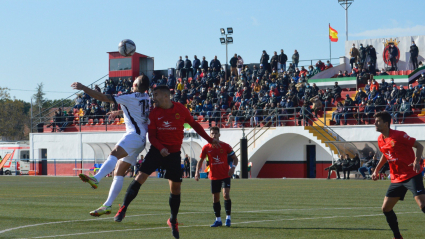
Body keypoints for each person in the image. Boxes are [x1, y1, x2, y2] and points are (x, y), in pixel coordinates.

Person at [114, 86, 220, 239]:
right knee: (140, 177)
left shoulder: (181, 109)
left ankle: (173, 219)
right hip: (157, 150)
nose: (153, 97)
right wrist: (161, 148)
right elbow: (152, 137)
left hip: (174, 154)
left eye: (155, 95)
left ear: (165, 96)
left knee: (176, 188)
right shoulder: (154, 113)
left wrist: (210, 140)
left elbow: (195, 125)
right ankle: (123, 208)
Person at [71, 75, 150, 217]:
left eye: (135, 80)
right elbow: (136, 110)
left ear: (136, 85)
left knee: (114, 153)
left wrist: (83, 88)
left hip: (134, 136)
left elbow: (103, 97)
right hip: (142, 139)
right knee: (118, 172)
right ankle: (107, 205)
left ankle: (96, 178)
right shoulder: (147, 98)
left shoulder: (130, 96)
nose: (133, 81)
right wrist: (119, 112)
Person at [371, 111, 424, 239]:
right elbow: (385, 153)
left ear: (386, 123)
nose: (375, 123)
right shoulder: (380, 139)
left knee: (423, 205)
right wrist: (376, 170)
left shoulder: (399, 135)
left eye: (378, 121)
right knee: (386, 208)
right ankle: (397, 236)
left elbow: (419, 146)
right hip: (396, 179)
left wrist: (417, 160)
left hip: (411, 174)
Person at [195, 126, 238, 227]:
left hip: (225, 175)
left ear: (219, 135)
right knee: (215, 198)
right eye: (212, 133)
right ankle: (218, 220)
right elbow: (200, 161)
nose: (214, 135)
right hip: (214, 176)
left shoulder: (226, 146)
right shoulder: (206, 147)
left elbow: (235, 158)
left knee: (226, 195)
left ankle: (228, 218)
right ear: (210, 135)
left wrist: (233, 168)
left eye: (215, 133)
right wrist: (197, 172)